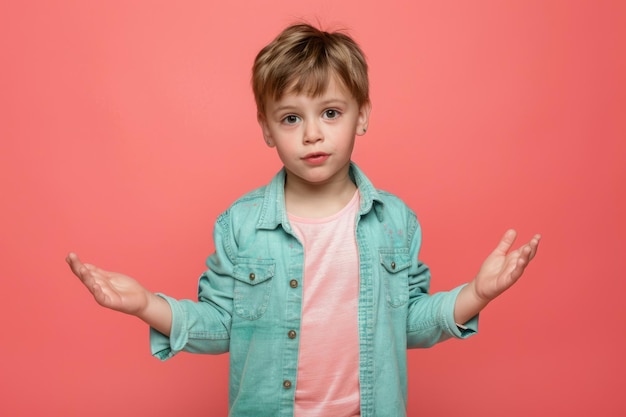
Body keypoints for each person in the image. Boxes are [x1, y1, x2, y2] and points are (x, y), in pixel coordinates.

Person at [66, 23, 541, 417]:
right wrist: (145, 303)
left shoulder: (395, 222)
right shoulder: (241, 225)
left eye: (330, 112)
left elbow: (406, 324)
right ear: (266, 129)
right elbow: (223, 326)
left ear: (362, 115)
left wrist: (476, 294)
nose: (312, 134)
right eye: (291, 118)